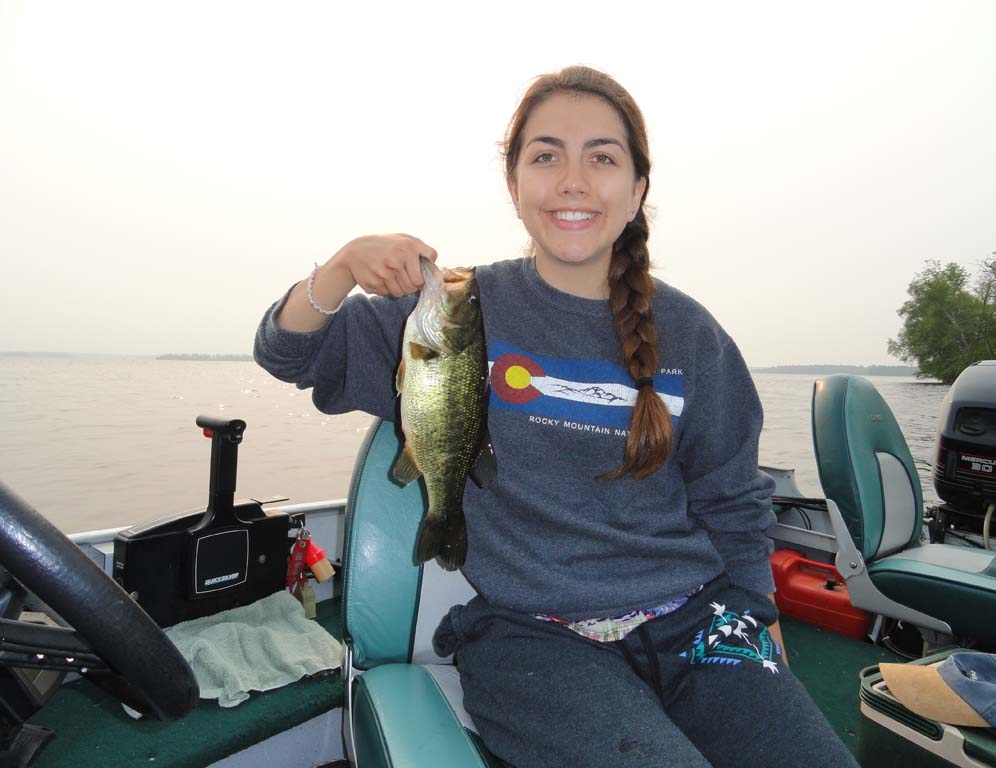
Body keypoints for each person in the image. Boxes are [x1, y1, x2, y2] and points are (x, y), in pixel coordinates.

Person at [254, 65, 857, 767]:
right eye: (546, 156)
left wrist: (760, 621)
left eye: (602, 158)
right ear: (514, 187)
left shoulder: (693, 335)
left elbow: (730, 497)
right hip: (531, 636)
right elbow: (287, 353)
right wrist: (342, 265)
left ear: (637, 191)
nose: (573, 181)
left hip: (698, 616)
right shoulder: (453, 309)